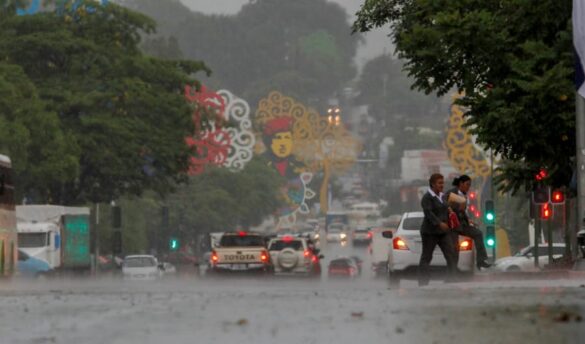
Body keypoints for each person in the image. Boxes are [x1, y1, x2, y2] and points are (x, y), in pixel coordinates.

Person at [444, 175, 492, 270]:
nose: (468, 187)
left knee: (478, 233)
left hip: (462, 224)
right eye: (467, 184)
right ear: (461, 184)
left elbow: (463, 211)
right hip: (452, 226)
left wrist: (469, 220)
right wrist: (457, 208)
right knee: (455, 249)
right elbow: (443, 206)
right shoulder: (451, 193)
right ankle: (452, 274)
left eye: (470, 185)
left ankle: (481, 261)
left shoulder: (465, 195)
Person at [419, 173, 458, 286]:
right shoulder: (427, 198)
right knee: (427, 256)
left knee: (450, 253)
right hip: (429, 232)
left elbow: (446, 207)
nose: (442, 185)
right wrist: (439, 223)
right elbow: (428, 213)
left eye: (443, 182)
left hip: (443, 232)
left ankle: (451, 279)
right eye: (439, 183)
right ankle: (423, 282)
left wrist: (450, 211)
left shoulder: (442, 196)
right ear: (432, 184)